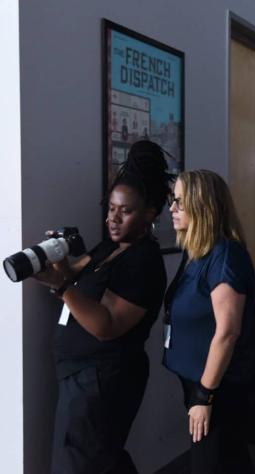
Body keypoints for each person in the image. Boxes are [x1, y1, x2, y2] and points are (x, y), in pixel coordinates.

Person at [33, 140, 171, 473]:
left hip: (101, 381)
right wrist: (55, 257)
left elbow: (107, 326)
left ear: (149, 214)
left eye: (125, 210)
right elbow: (75, 273)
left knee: (80, 464)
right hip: (82, 377)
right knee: (97, 461)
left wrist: (63, 286)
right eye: (111, 208)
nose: (113, 217)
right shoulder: (110, 248)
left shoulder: (143, 262)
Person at [163, 170, 255, 474]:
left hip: (217, 387)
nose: (172, 208)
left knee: (211, 464)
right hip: (197, 383)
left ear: (203, 206)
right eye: (172, 201)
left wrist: (205, 395)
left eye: (180, 202)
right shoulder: (197, 253)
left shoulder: (225, 256)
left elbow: (227, 332)